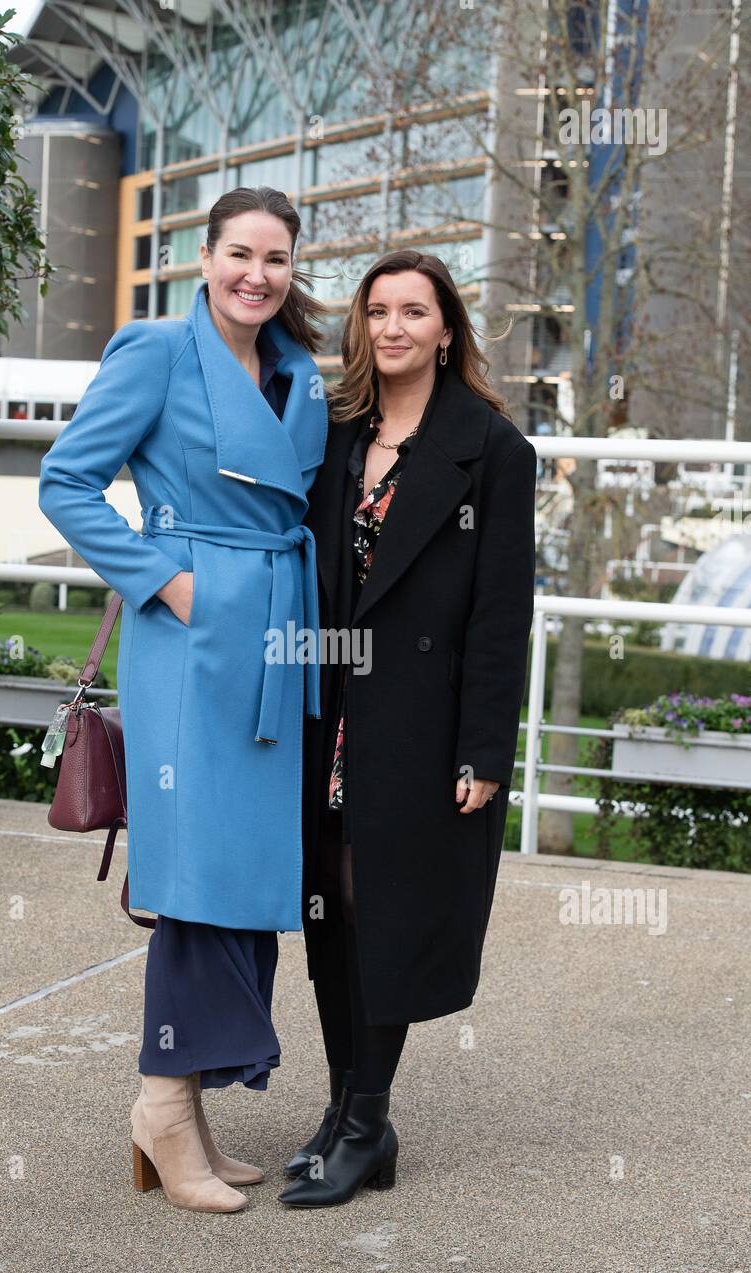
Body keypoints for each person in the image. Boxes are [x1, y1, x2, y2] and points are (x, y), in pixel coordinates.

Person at [37, 186, 327, 1214]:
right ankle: (162, 1102)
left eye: (277, 259)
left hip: (279, 638)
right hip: (192, 641)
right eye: (239, 253)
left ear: (293, 270)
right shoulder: (156, 351)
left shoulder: (299, 376)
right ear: (202, 257)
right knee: (199, 870)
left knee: (250, 875)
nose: (257, 273)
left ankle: (185, 1108)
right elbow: (67, 481)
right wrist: (167, 580)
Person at [279, 249, 537, 1207]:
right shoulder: (334, 433)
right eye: (377, 311)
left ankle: (364, 1121)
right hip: (329, 711)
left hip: (421, 726)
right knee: (329, 908)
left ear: (445, 329)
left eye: (412, 312)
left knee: (380, 907)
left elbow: (499, 615)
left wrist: (483, 749)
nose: (392, 328)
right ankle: (349, 1107)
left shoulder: (493, 451)